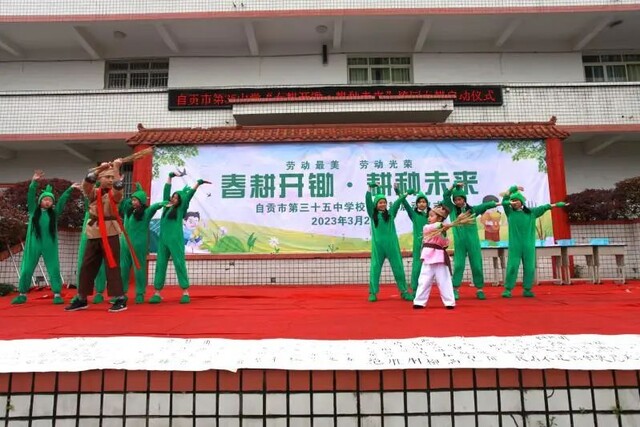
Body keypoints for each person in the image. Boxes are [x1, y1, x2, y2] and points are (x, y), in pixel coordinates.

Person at [65, 159, 128, 312]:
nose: (111, 180)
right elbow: (87, 184)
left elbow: (118, 188)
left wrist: (116, 168)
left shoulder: (114, 194)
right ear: (100, 179)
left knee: (112, 265)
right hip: (94, 232)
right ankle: (81, 298)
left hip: (110, 232)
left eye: (112, 177)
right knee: (87, 265)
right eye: (107, 177)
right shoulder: (94, 192)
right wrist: (100, 169)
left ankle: (119, 298)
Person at [11, 170, 77, 305]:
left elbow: (62, 202)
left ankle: (57, 294)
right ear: (40, 201)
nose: (47, 202)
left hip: (49, 244)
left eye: (50, 200)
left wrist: (70, 189)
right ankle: (22, 294)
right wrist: (34, 182)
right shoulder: (33, 211)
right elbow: (30, 196)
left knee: (54, 268)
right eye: (45, 199)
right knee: (27, 268)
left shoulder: (54, 214)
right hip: (33, 244)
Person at [149, 172, 208, 304]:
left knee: (179, 263)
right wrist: (170, 177)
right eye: (173, 197)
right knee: (160, 264)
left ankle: (185, 291)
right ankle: (157, 292)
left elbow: (188, 196)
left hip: (175, 241)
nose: (173, 199)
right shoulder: (166, 206)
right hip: (163, 241)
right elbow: (166, 190)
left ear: (180, 201)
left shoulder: (181, 209)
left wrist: (198, 183)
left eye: (176, 198)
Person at [501, 185, 567, 298]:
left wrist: (557, 205)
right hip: (515, 246)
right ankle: (508, 289)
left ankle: (527, 289)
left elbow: (544, 207)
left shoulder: (531, 213)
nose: (514, 202)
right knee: (512, 266)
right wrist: (513, 189)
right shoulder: (510, 213)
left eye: (516, 200)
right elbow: (504, 201)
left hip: (528, 245)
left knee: (529, 267)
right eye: (512, 201)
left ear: (521, 202)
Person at [442, 182, 498, 300]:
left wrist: (502, 203)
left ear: (464, 199)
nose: (458, 202)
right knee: (458, 266)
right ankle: (455, 289)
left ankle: (479, 289)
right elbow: (446, 196)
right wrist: (454, 185)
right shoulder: (452, 210)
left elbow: (486, 205)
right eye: (455, 200)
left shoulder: (472, 210)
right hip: (460, 244)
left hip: (473, 243)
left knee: (477, 265)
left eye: (460, 199)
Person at [365, 182, 413, 302]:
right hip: (378, 247)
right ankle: (373, 293)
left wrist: (405, 193)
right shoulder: (372, 214)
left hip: (392, 246)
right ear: (376, 204)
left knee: (398, 268)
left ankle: (404, 291)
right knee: (375, 268)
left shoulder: (391, 213)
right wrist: (369, 189)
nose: (383, 204)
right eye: (380, 202)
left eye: (384, 202)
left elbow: (397, 202)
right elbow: (368, 202)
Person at [120, 183, 166, 304]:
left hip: (138, 245)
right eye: (132, 199)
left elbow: (154, 207)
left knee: (139, 269)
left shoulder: (146, 213)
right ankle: (121, 294)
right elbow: (121, 201)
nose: (133, 202)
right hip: (125, 243)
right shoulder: (128, 211)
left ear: (141, 201)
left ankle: (140, 293)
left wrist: (162, 204)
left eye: (135, 200)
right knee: (123, 268)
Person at [413, 205, 456, 310]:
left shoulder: (442, 230)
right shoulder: (427, 227)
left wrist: (443, 231)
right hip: (428, 257)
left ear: (440, 218)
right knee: (424, 280)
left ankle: (449, 302)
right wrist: (441, 225)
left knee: (444, 280)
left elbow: (445, 244)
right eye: (429, 216)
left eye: (431, 216)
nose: (429, 218)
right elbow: (431, 228)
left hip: (440, 258)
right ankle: (419, 301)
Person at [395, 184, 430, 293]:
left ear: (427, 203)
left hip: (431, 243)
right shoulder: (414, 214)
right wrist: (398, 191)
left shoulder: (432, 215)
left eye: (424, 202)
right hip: (419, 244)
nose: (422, 204)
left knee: (433, 267)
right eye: (419, 202)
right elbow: (405, 203)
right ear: (417, 204)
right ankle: (415, 289)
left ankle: (431, 289)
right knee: (417, 266)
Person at [76, 194, 107, 304]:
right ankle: (81, 294)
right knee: (83, 265)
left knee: (100, 265)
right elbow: (87, 197)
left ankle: (99, 293)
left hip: (101, 237)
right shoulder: (88, 211)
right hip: (87, 239)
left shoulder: (106, 211)